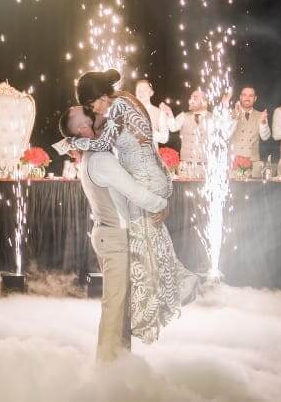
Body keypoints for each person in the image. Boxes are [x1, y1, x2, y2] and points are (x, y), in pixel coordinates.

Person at [67, 70, 198, 344]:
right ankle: (174, 285)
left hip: (145, 180)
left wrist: (74, 141)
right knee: (150, 246)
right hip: (150, 175)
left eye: (93, 105)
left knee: (144, 253)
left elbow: (104, 142)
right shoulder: (123, 101)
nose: (95, 111)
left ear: (101, 95)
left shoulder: (117, 107)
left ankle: (162, 299)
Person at [62, 106, 169, 361]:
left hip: (107, 235)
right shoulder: (100, 159)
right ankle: (107, 370)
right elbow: (134, 191)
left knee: (120, 306)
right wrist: (161, 204)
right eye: (89, 113)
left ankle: (120, 364)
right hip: (114, 238)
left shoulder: (93, 155)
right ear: (83, 128)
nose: (96, 112)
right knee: (115, 306)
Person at [229, 86, 270, 178]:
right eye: (244, 95)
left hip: (253, 164)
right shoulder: (231, 113)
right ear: (240, 97)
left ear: (255, 98)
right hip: (234, 163)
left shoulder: (261, 115)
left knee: (253, 187)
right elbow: (226, 135)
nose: (247, 98)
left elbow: (265, 137)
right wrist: (236, 117)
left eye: (251, 96)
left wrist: (263, 122)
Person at [134, 80, 169, 147]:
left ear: (151, 93)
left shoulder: (159, 113)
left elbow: (165, 138)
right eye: (139, 90)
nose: (141, 93)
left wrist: (150, 131)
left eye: (144, 90)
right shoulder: (129, 110)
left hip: (150, 152)